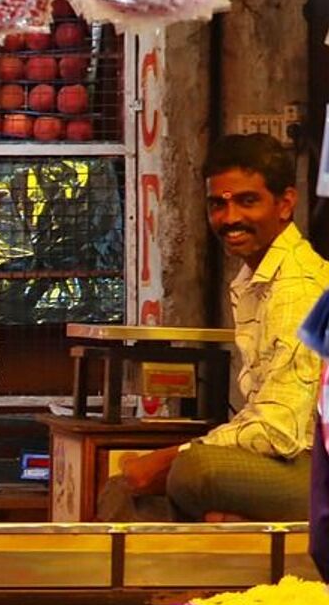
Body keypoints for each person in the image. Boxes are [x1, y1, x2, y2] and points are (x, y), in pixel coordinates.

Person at [112, 133, 327, 522]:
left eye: (247, 201)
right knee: (127, 489)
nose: (230, 219)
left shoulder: (300, 288)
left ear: (285, 204)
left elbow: (279, 431)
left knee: (194, 473)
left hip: (315, 471)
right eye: (218, 205)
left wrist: (175, 456)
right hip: (293, 464)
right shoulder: (258, 279)